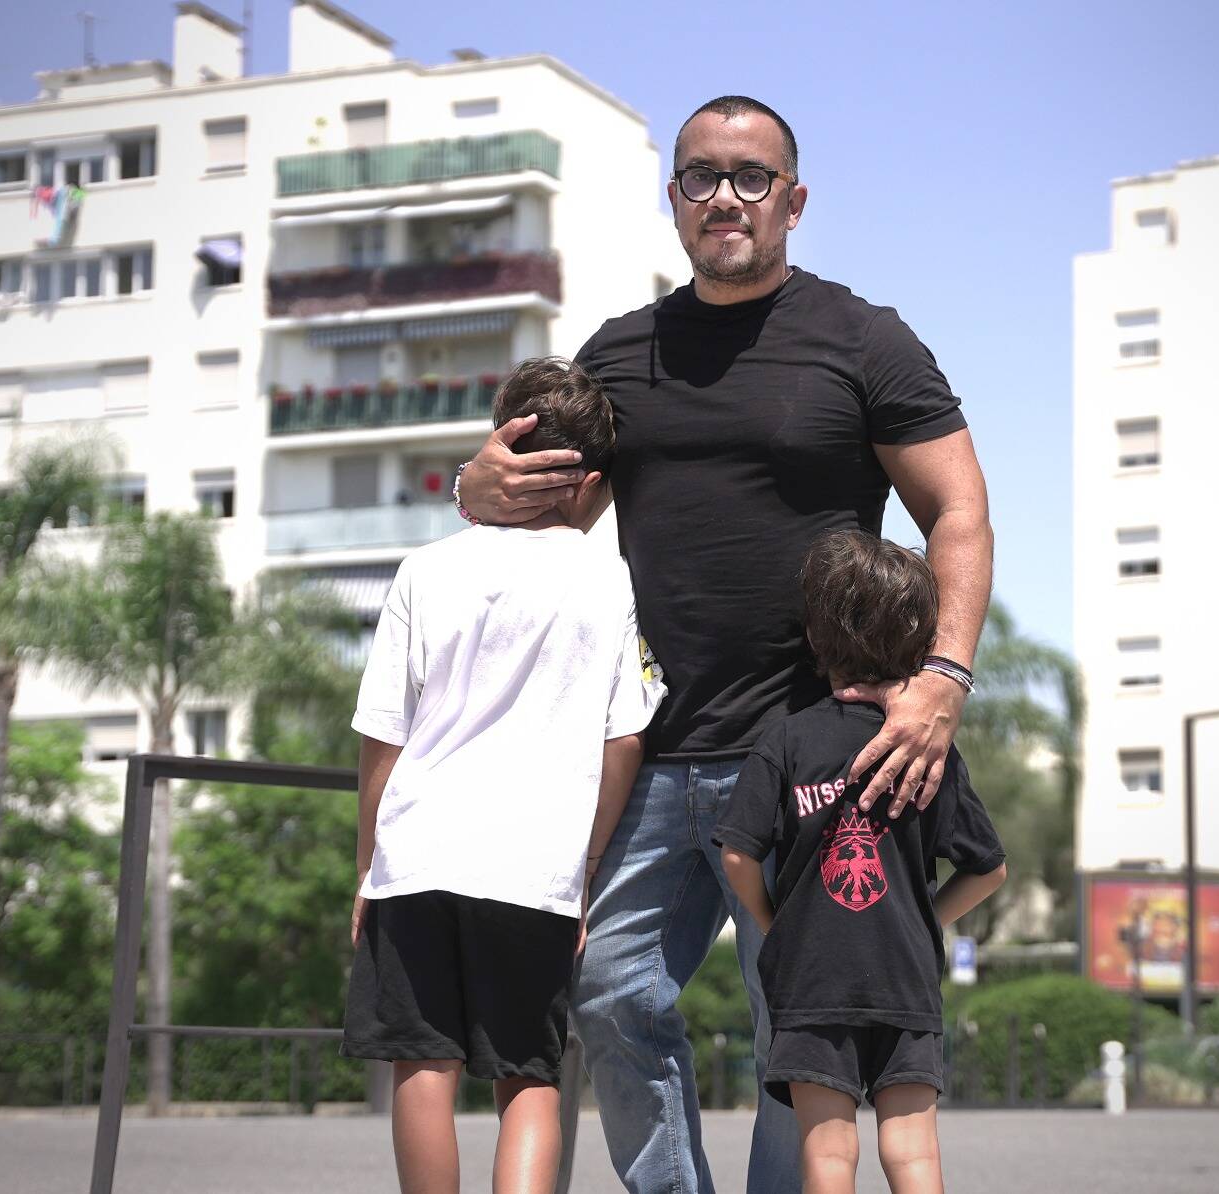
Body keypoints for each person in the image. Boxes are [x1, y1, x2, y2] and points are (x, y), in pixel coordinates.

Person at [455, 94, 993, 1193]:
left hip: (816, 755)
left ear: (793, 200)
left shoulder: (863, 341)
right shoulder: (619, 354)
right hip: (649, 748)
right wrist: (473, 486)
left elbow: (959, 514)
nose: (724, 198)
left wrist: (941, 676)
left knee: (800, 1031)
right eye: (699, 177)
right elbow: (541, 507)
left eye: (750, 178)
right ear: (674, 203)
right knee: (611, 992)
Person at [342, 357, 667, 1194]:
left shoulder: (426, 570)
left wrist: (366, 868)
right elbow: (624, 738)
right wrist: (588, 869)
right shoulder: (609, 579)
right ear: (590, 482)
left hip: (416, 853)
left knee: (422, 1065)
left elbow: (383, 739)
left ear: (501, 447)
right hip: (535, 868)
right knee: (528, 1075)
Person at [716, 529, 1005, 1194]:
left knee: (829, 1155)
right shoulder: (930, 752)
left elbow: (737, 852)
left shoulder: (786, 740)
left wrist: (773, 920)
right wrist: (924, 918)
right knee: (913, 1153)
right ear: (923, 639)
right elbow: (990, 869)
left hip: (811, 978)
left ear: (816, 640)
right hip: (905, 976)